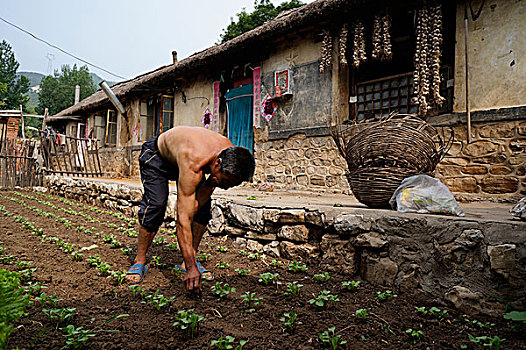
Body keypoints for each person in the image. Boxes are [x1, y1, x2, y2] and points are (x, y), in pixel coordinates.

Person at [125, 126, 255, 293]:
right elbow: (183, 218)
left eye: (230, 185)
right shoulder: (194, 159)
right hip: (156, 157)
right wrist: (193, 269)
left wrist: (189, 261)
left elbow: (202, 196)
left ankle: (187, 261)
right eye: (224, 182)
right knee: (156, 205)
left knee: (203, 209)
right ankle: (139, 260)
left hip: (183, 158)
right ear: (218, 164)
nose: (225, 188)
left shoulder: (229, 155)